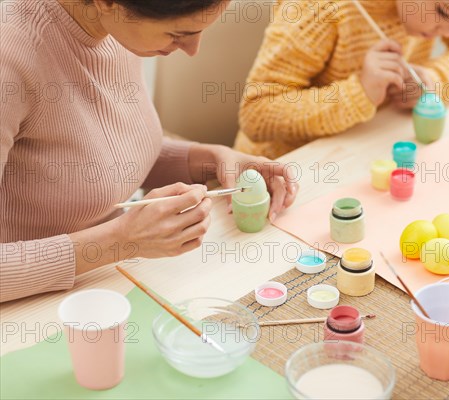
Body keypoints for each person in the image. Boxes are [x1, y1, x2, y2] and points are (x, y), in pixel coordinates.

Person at [0, 0, 298, 303]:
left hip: (109, 279)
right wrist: (120, 241)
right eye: (177, 33)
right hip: (29, 306)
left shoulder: (115, 28)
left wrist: (212, 161)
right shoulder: (10, 57)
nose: (193, 49)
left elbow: (97, 154)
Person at [234, 0, 449, 159]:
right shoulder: (319, 9)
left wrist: (437, 78)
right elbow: (256, 114)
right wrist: (358, 93)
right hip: (283, 169)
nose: (447, 32)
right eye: (445, 15)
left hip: (368, 151)